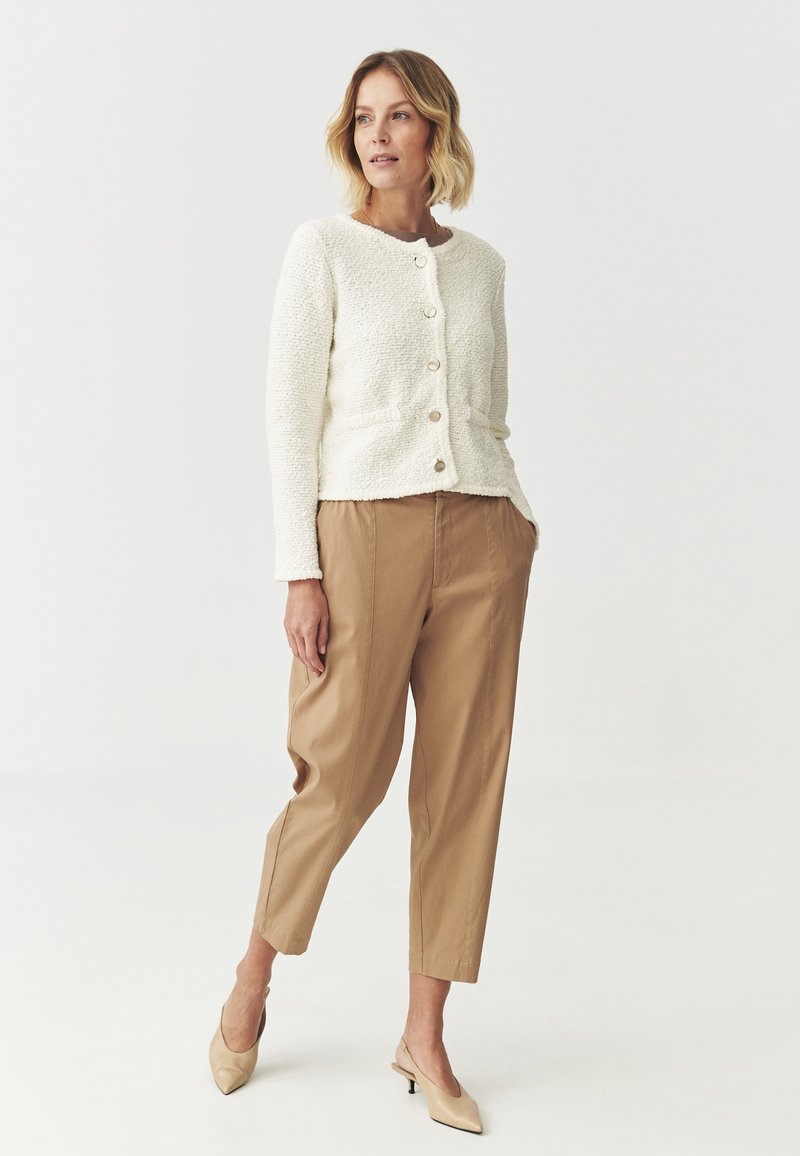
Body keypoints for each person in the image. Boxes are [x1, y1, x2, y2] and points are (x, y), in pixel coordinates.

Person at [209, 48, 541, 1134]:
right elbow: (287, 415)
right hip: (361, 531)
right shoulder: (324, 250)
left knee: (462, 785)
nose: (379, 136)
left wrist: (514, 516)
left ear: (437, 130)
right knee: (340, 773)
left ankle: (424, 1034)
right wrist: (298, 569)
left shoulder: (482, 266)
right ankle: (254, 974)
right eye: (364, 119)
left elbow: (486, 407)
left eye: (400, 116)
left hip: (483, 532)